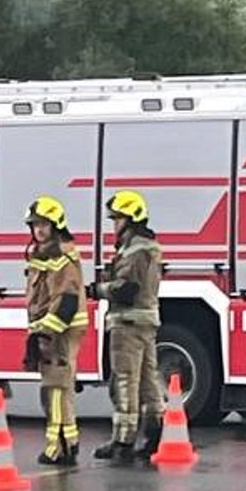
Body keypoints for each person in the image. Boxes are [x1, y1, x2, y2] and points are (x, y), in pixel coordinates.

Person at [89, 189, 165, 463]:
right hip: (145, 321)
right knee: (148, 380)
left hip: (128, 322)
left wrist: (97, 289)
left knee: (124, 381)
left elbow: (125, 289)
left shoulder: (134, 250)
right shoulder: (149, 246)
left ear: (130, 219)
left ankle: (124, 438)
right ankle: (155, 433)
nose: (114, 224)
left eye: (118, 218)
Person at [24, 196, 88, 466]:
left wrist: (44, 332)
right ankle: (68, 442)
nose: (39, 230)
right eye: (35, 225)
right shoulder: (45, 254)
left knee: (56, 387)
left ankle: (58, 446)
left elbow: (67, 301)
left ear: (56, 225)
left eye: (44, 224)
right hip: (52, 328)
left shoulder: (60, 256)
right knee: (57, 386)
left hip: (59, 331)